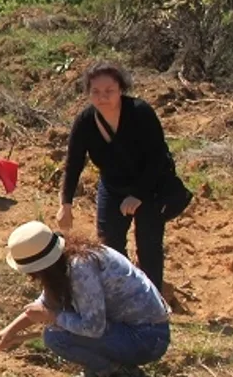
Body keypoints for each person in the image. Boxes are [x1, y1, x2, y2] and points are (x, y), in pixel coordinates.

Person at [0, 221, 170, 377]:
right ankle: (102, 365)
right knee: (60, 325)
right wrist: (10, 331)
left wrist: (53, 317)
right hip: (131, 328)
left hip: (148, 338)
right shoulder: (67, 259)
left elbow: (93, 327)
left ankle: (123, 373)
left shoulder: (81, 269)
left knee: (56, 337)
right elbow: (46, 303)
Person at [57, 62, 187, 292]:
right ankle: (123, 293)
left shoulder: (140, 112)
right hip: (113, 186)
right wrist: (65, 204)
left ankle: (153, 299)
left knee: (148, 245)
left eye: (109, 91)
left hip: (151, 186)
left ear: (121, 89)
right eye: (95, 91)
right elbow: (74, 163)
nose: (102, 97)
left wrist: (138, 195)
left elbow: (157, 157)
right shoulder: (85, 122)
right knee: (110, 245)